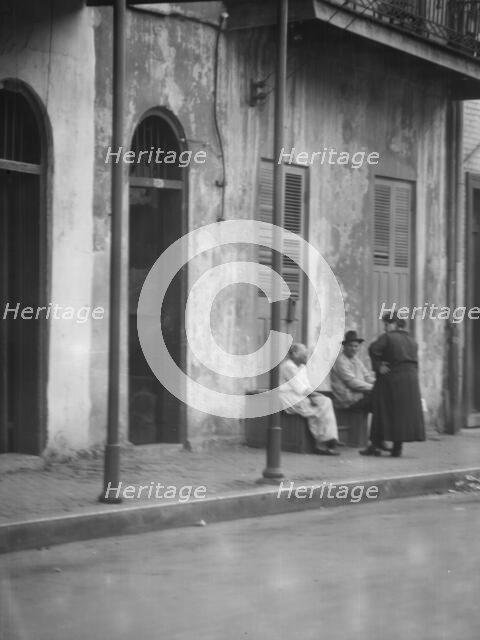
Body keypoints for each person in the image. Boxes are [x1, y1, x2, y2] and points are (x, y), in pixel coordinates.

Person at [365, 312, 425, 457]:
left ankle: (375, 445)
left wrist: (378, 365)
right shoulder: (412, 340)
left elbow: (373, 349)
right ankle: (397, 448)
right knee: (402, 415)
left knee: (381, 408)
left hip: (392, 378)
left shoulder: (388, 337)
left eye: (387, 324)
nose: (385, 328)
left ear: (395, 324)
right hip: (410, 381)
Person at [279, 343, 341, 456]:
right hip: (289, 397)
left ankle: (329, 438)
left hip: (302, 395)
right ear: (294, 354)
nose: (306, 356)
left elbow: (307, 385)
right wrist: (312, 396)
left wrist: (313, 395)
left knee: (326, 401)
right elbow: (298, 387)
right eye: (303, 354)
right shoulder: (288, 366)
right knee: (316, 408)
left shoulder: (302, 367)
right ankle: (323, 442)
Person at [330, 330, 375, 411]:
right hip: (346, 401)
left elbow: (367, 377)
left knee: (382, 399)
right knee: (379, 400)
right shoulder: (340, 361)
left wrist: (380, 383)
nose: (353, 349)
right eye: (350, 346)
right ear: (345, 346)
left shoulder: (356, 360)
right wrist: (374, 388)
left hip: (357, 397)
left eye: (356, 346)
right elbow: (352, 383)